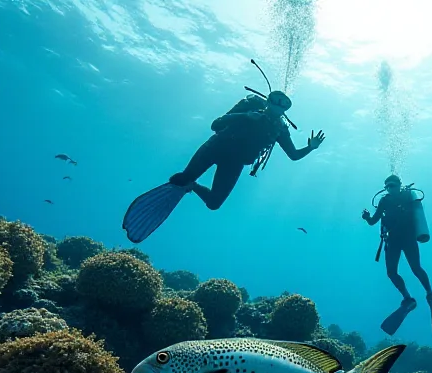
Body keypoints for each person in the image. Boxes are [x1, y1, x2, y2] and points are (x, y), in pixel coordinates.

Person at [122, 64, 326, 244]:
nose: (277, 106)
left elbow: (293, 155)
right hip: (215, 147)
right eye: (275, 100)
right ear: (268, 99)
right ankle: (186, 182)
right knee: (180, 178)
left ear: (286, 110)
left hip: (235, 163)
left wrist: (311, 147)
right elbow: (216, 124)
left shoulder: (279, 128)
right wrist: (244, 116)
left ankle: (191, 186)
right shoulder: (250, 105)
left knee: (213, 203)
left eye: (284, 105)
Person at [363, 174, 432, 340]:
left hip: (408, 239)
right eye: (387, 186)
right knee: (391, 273)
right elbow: (373, 221)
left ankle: (430, 295)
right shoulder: (384, 201)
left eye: (393, 185)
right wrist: (367, 217)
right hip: (392, 241)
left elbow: (415, 215)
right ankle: (408, 299)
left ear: (399, 185)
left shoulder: (408, 196)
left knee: (416, 268)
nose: (390, 188)